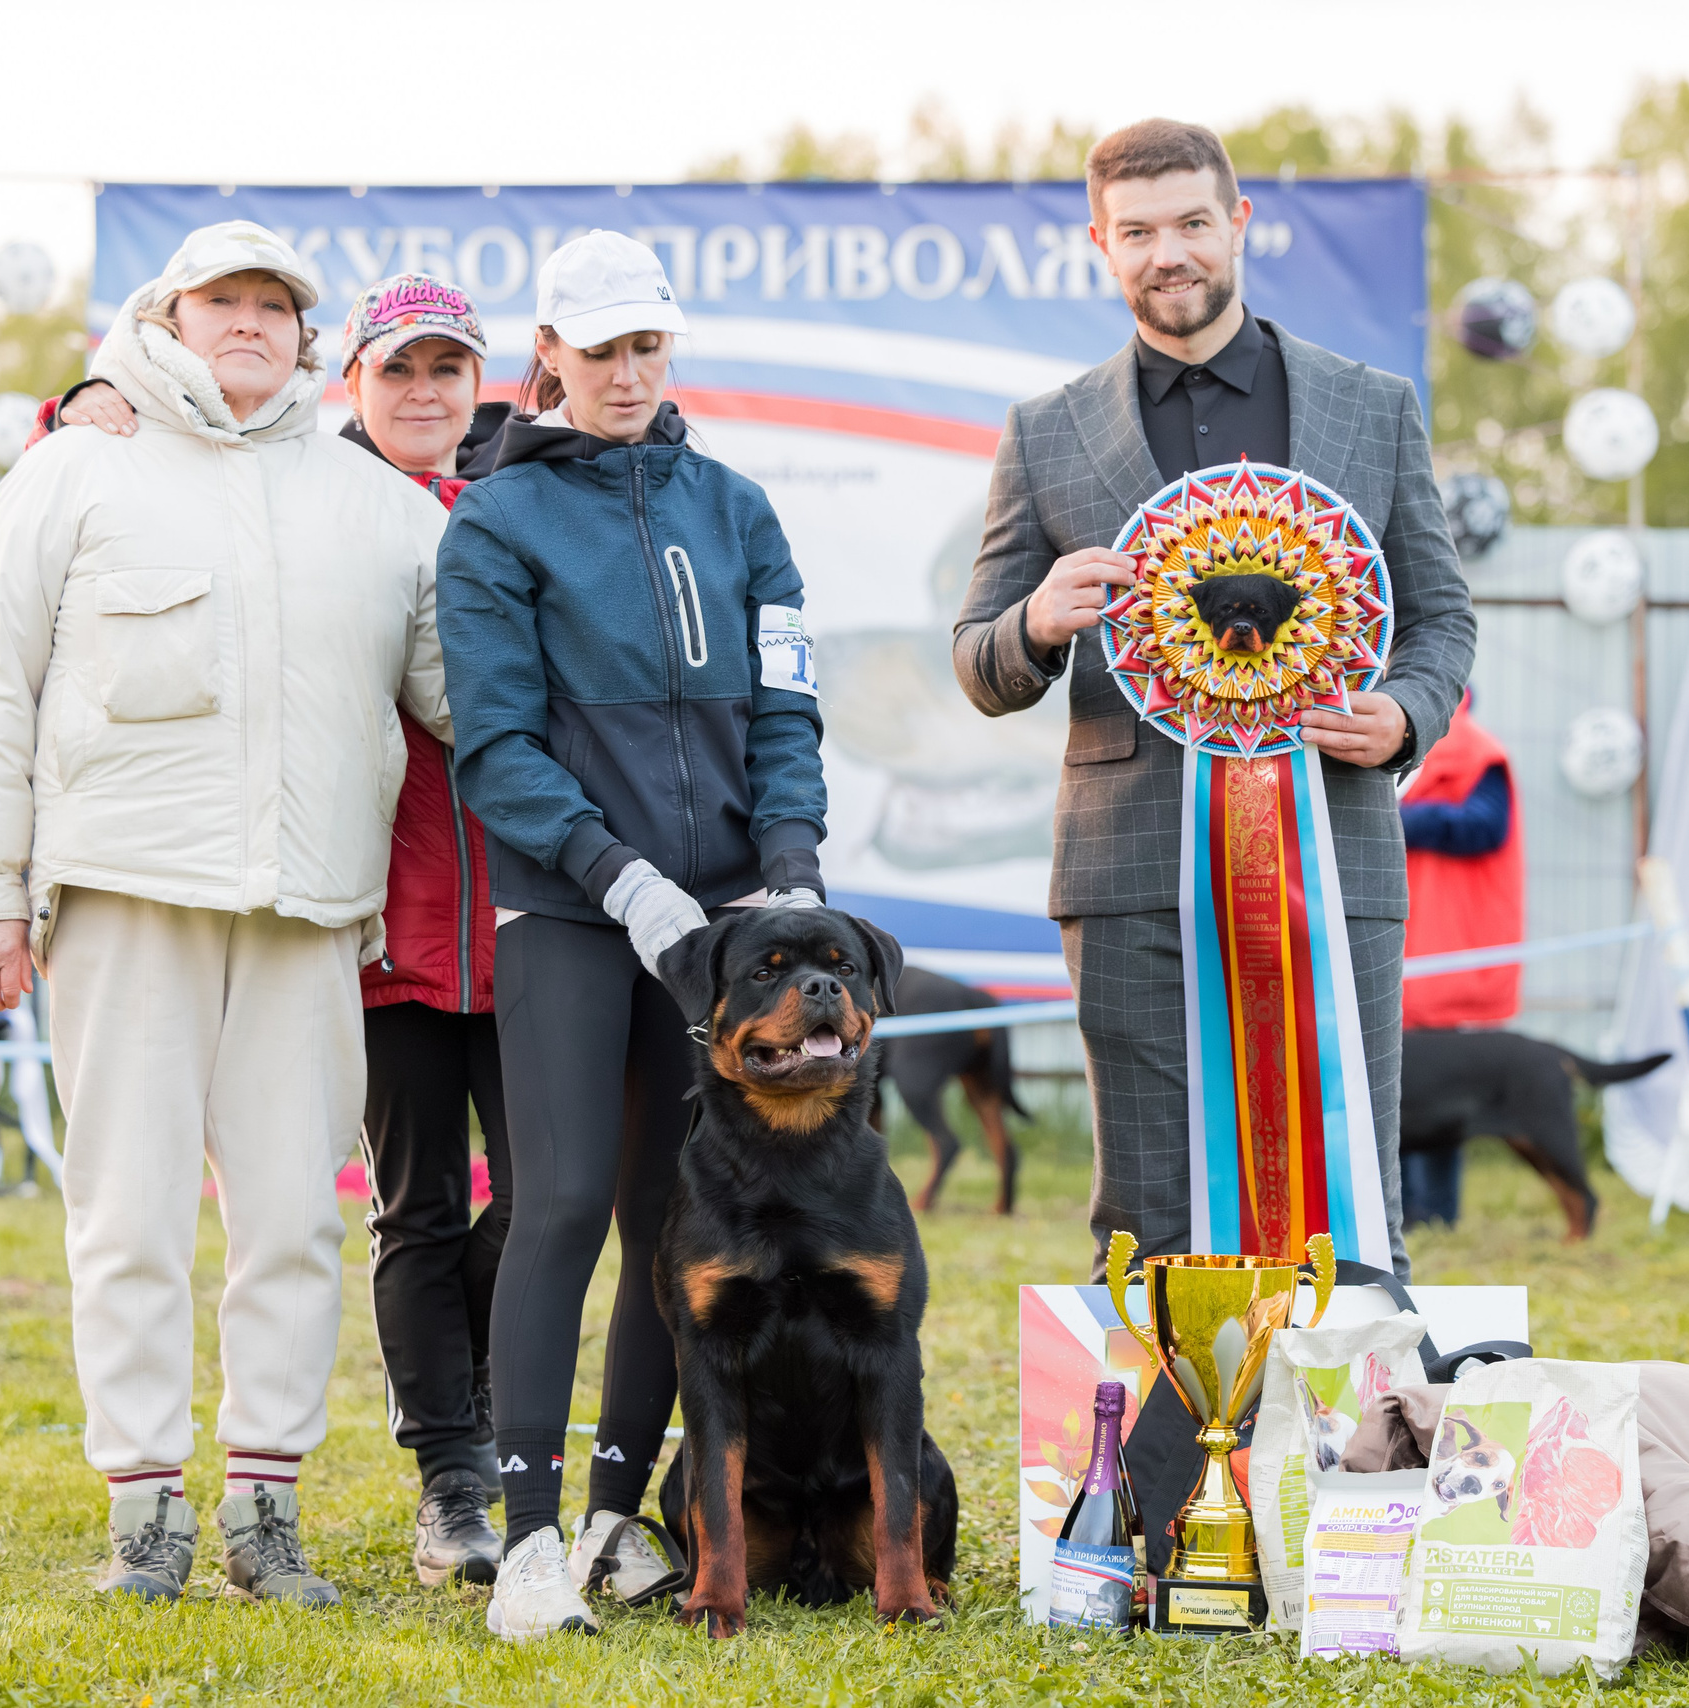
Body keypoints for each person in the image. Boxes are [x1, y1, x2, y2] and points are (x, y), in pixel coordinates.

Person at [0, 222, 451, 1608]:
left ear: (305, 338)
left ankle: (265, 1512)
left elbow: (472, 700)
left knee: (293, 1217)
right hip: (121, 898)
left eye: (275, 306)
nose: (248, 325)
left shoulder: (382, 503)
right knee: (129, 1212)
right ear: (166, 319)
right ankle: (144, 1511)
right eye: (221, 300)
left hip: (308, 909)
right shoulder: (70, 470)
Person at [51, 275, 521, 1586]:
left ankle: (500, 1450)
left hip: (528, 925)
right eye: (400, 370)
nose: (425, 394)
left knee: (546, 1202)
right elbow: (157, 457)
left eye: (450, 370)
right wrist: (91, 389)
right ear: (349, 378)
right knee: (411, 1212)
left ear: (483, 382)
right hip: (373, 926)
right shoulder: (314, 497)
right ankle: (453, 1487)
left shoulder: (510, 507)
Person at [952, 119, 1477, 1282]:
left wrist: (1403, 716)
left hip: (1332, 854)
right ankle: (1142, 1466)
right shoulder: (1044, 432)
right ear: (1100, 244)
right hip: (1128, 872)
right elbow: (976, 658)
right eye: (1136, 233)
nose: (1167, 253)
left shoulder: (1369, 405)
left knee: (1343, 1200)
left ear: (1237, 224)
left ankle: (1339, 1461)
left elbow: (1441, 618)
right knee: (1146, 1214)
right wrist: (1034, 624)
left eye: (1191, 223)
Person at [436, 229, 829, 1642]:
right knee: (552, 1210)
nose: (624, 372)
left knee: (676, 1225)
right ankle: (526, 1541)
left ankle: (614, 1517)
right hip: (569, 916)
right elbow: (496, 749)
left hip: (721, 931)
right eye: (598, 349)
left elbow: (786, 710)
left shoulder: (741, 510)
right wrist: (621, 879)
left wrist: (784, 871)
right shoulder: (494, 524)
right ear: (548, 355)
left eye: (646, 345)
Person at [1397, 689, 1524, 1225]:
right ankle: (1400, 1215)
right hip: (1405, 950)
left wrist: (1398, 820)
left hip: (1446, 951)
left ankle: (1437, 1213)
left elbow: (1485, 826)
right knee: (1393, 1098)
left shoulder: (1476, 751)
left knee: (1437, 1096)